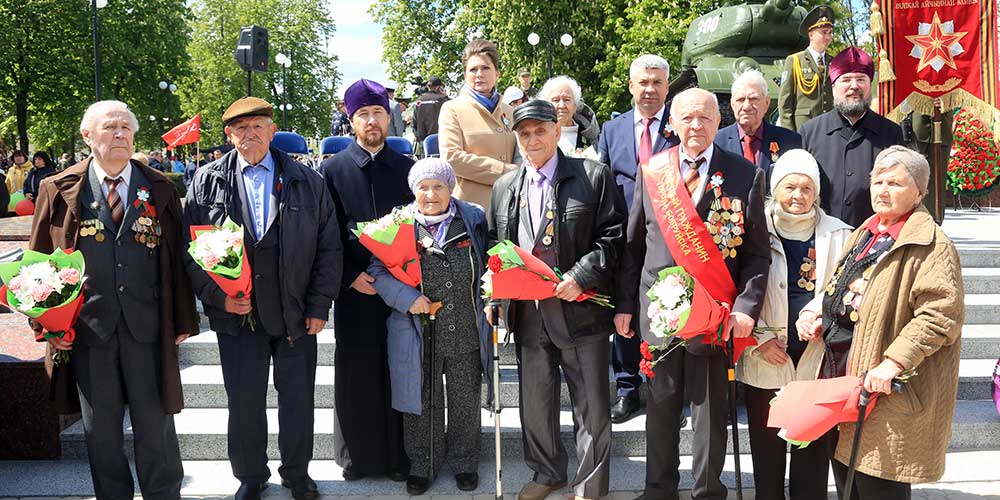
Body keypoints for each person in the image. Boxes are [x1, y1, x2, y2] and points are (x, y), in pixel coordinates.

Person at [29, 100, 199, 500]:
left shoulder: (159, 186)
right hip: (89, 331)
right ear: (88, 136)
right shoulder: (58, 188)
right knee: (101, 432)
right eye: (110, 127)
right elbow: (36, 265)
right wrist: (47, 325)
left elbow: (178, 257)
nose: (120, 134)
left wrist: (182, 319)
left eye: (126, 127)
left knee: (156, 427)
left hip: (149, 328)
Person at [183, 96, 342, 500]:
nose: (249, 134)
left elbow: (329, 247)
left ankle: (297, 474)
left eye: (258, 126)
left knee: (298, 400)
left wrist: (319, 305)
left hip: (295, 312)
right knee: (244, 401)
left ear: (272, 131)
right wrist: (218, 300)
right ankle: (251, 476)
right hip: (237, 316)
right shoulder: (205, 181)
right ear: (229, 135)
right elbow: (190, 251)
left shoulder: (308, 180)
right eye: (241, 128)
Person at [616, 88, 770, 500]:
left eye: (705, 117)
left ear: (719, 122)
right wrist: (626, 305)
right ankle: (658, 489)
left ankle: (707, 491)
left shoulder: (745, 174)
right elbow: (633, 246)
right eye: (687, 118)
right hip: (660, 313)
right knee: (660, 407)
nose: (696, 125)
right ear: (672, 123)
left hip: (715, 315)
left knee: (710, 414)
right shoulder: (652, 171)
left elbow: (757, 254)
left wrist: (746, 308)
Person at [796, 146, 964, 499]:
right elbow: (841, 285)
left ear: (919, 192)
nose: (883, 190)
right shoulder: (866, 232)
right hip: (844, 379)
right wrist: (817, 313)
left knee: (878, 481)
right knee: (848, 482)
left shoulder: (931, 244)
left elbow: (940, 315)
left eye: (895, 183)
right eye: (878, 181)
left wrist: (894, 362)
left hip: (885, 389)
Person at [488, 100, 625, 500]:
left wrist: (581, 276)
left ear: (556, 129)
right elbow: (496, 247)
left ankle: (589, 486)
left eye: (540, 130)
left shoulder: (592, 176)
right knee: (535, 403)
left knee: (592, 406)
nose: (532, 139)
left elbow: (614, 237)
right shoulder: (504, 187)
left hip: (581, 310)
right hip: (528, 314)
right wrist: (495, 297)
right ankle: (547, 472)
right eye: (524, 133)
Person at [369, 158, 494, 495]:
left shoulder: (472, 218)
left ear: (450, 188)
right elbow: (377, 271)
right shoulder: (397, 223)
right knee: (421, 400)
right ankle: (422, 464)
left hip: (465, 325)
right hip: (417, 329)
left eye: (438, 186)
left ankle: (465, 462)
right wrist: (407, 298)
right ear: (413, 190)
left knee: (465, 398)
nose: (430, 194)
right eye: (423, 187)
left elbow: (489, 261)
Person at [735, 149, 852, 500]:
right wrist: (758, 339)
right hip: (766, 354)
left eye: (806, 188)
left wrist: (820, 315)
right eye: (790, 187)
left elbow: (847, 289)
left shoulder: (839, 233)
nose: (798, 196)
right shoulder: (753, 227)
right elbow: (737, 287)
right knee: (767, 451)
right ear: (775, 189)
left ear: (817, 192)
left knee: (812, 453)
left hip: (816, 356)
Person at [321, 79, 414, 482]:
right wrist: (349, 276)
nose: (372, 121)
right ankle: (356, 458)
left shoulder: (408, 169)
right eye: (363, 114)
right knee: (356, 371)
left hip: (402, 287)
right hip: (355, 289)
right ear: (351, 119)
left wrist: (406, 274)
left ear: (388, 117)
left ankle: (398, 457)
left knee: (398, 368)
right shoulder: (332, 170)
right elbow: (326, 233)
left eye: (378, 112)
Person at [597, 54, 679, 423]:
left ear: (667, 87)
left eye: (657, 82)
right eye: (643, 82)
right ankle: (627, 388)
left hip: (669, 237)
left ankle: (665, 391)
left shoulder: (679, 125)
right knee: (624, 311)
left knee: (667, 309)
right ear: (631, 86)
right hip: (623, 238)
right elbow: (602, 181)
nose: (649, 89)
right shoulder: (611, 130)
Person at [800, 46, 905, 228]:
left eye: (861, 79)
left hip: (873, 234)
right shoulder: (809, 132)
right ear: (833, 87)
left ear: (870, 85)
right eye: (846, 80)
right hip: (819, 233)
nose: (854, 86)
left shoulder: (891, 133)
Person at [438, 39, 518, 208]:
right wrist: (503, 171)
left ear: (497, 74)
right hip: (471, 209)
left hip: (509, 205)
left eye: (485, 68)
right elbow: (451, 158)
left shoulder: (510, 112)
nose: (479, 74)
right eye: (473, 69)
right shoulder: (452, 109)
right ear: (465, 75)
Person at [716, 70, 802, 191]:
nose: (746, 106)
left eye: (753, 99)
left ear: (766, 103)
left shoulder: (790, 141)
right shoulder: (716, 142)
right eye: (740, 99)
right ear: (732, 104)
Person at [778, 5, 836, 132]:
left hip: (830, 129)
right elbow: (785, 104)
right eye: (824, 32)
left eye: (830, 32)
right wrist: (790, 135)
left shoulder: (834, 62)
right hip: (804, 130)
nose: (828, 37)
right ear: (811, 35)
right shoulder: (795, 61)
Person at [538, 76, 600, 158]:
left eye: (567, 99)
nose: (562, 105)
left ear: (575, 105)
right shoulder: (537, 135)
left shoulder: (590, 135)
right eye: (556, 100)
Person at [413, 77, 450, 149]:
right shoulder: (442, 99)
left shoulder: (419, 100)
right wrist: (446, 96)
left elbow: (414, 121)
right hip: (440, 139)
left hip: (423, 140)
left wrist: (418, 136)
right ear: (438, 87)